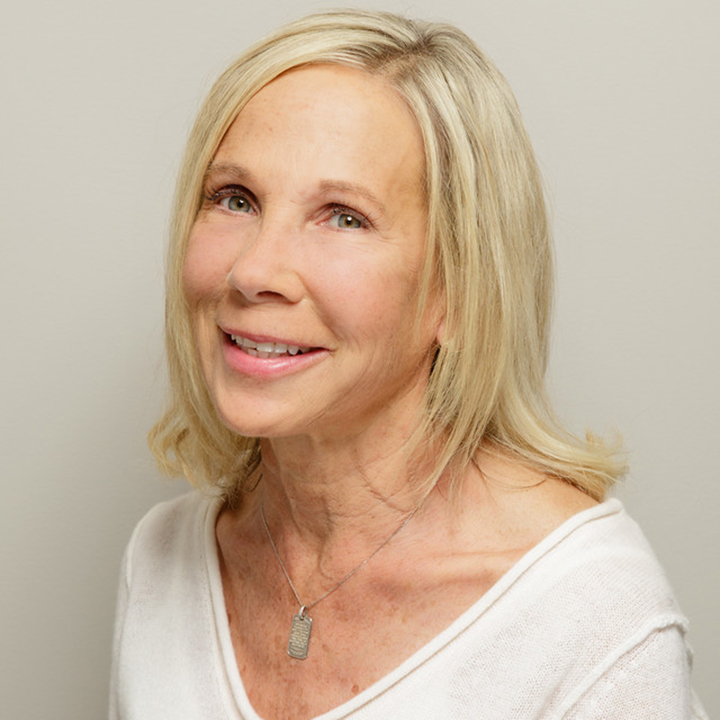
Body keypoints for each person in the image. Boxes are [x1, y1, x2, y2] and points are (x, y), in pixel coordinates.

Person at [110, 9, 707, 719]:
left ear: (459, 290)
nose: (253, 271)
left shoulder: (596, 622)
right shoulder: (162, 558)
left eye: (344, 216)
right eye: (234, 199)